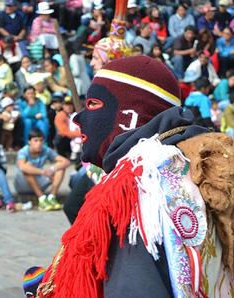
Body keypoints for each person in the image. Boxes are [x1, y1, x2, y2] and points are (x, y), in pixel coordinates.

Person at [31, 55, 234, 298]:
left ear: (131, 115)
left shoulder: (135, 186)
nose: (80, 118)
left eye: (93, 104)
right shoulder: (187, 160)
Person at [15, 128, 70, 211]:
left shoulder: (45, 149)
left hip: (38, 181)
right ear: (29, 142)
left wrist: (52, 169)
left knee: (60, 168)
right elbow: (22, 166)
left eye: (41, 140)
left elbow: (66, 162)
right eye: (36, 140)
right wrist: (43, 172)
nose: (39, 143)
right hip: (22, 184)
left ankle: (52, 197)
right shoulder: (23, 151)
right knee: (27, 167)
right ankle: (42, 199)